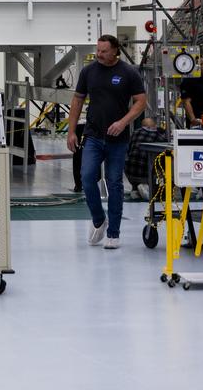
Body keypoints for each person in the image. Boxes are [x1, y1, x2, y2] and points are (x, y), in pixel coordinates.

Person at [67, 35, 147, 249]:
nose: (99, 54)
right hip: (92, 136)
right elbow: (77, 99)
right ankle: (98, 219)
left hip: (118, 140)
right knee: (86, 178)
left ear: (115, 51)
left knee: (114, 183)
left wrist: (123, 122)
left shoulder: (128, 72)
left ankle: (114, 233)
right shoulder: (88, 71)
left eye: (103, 51)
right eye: (98, 50)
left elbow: (141, 101)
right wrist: (71, 131)